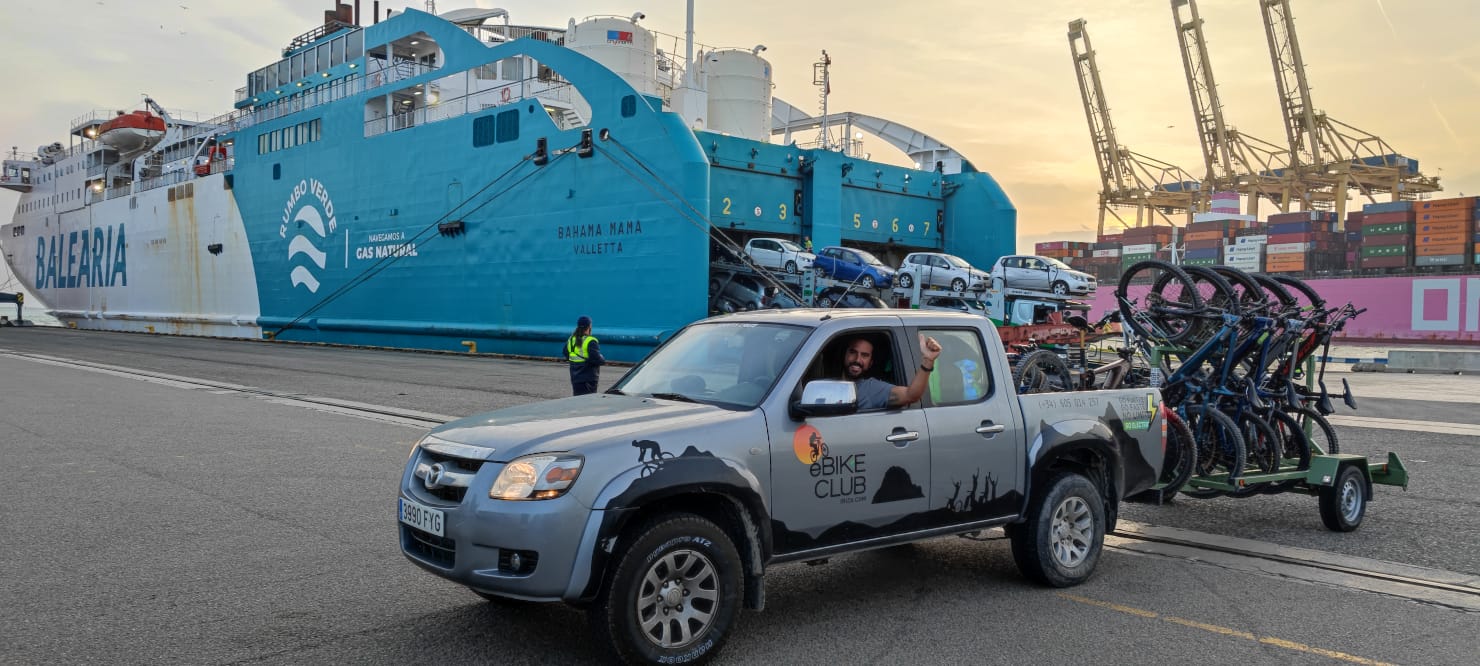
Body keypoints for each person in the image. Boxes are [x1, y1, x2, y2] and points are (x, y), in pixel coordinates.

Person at [839, 333, 941, 410]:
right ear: (844, 355)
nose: (857, 360)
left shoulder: (871, 389)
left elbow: (911, 395)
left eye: (864, 355)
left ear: (870, 363)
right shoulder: (829, 380)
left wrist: (928, 361)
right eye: (853, 352)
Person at [565, 315, 605, 395]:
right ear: (589, 326)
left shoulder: (571, 339)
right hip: (588, 379)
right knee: (588, 400)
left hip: (575, 377)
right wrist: (602, 358)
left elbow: (566, 353)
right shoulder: (590, 341)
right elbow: (598, 360)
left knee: (578, 399)